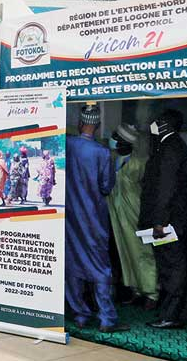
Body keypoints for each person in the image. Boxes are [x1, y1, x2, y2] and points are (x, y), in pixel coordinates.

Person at [64, 105, 126, 332]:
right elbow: (106, 186)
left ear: (80, 123)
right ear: (97, 126)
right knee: (100, 267)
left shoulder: (67, 145)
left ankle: (80, 315)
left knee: (72, 264)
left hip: (69, 217)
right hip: (93, 218)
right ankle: (107, 319)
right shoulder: (102, 153)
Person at [139, 109, 187, 329]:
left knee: (172, 267)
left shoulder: (171, 148)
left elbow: (165, 189)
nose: (152, 125)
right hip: (172, 220)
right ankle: (179, 312)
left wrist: (159, 221)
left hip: (168, 222)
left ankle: (172, 315)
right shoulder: (170, 145)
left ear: (164, 125)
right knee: (175, 265)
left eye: (157, 122)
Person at [107, 124, 158, 309]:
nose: (111, 140)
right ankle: (136, 290)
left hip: (135, 213)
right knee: (126, 252)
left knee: (143, 253)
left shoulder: (140, 162)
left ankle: (152, 292)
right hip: (117, 215)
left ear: (123, 141)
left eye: (115, 137)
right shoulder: (113, 159)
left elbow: (150, 190)